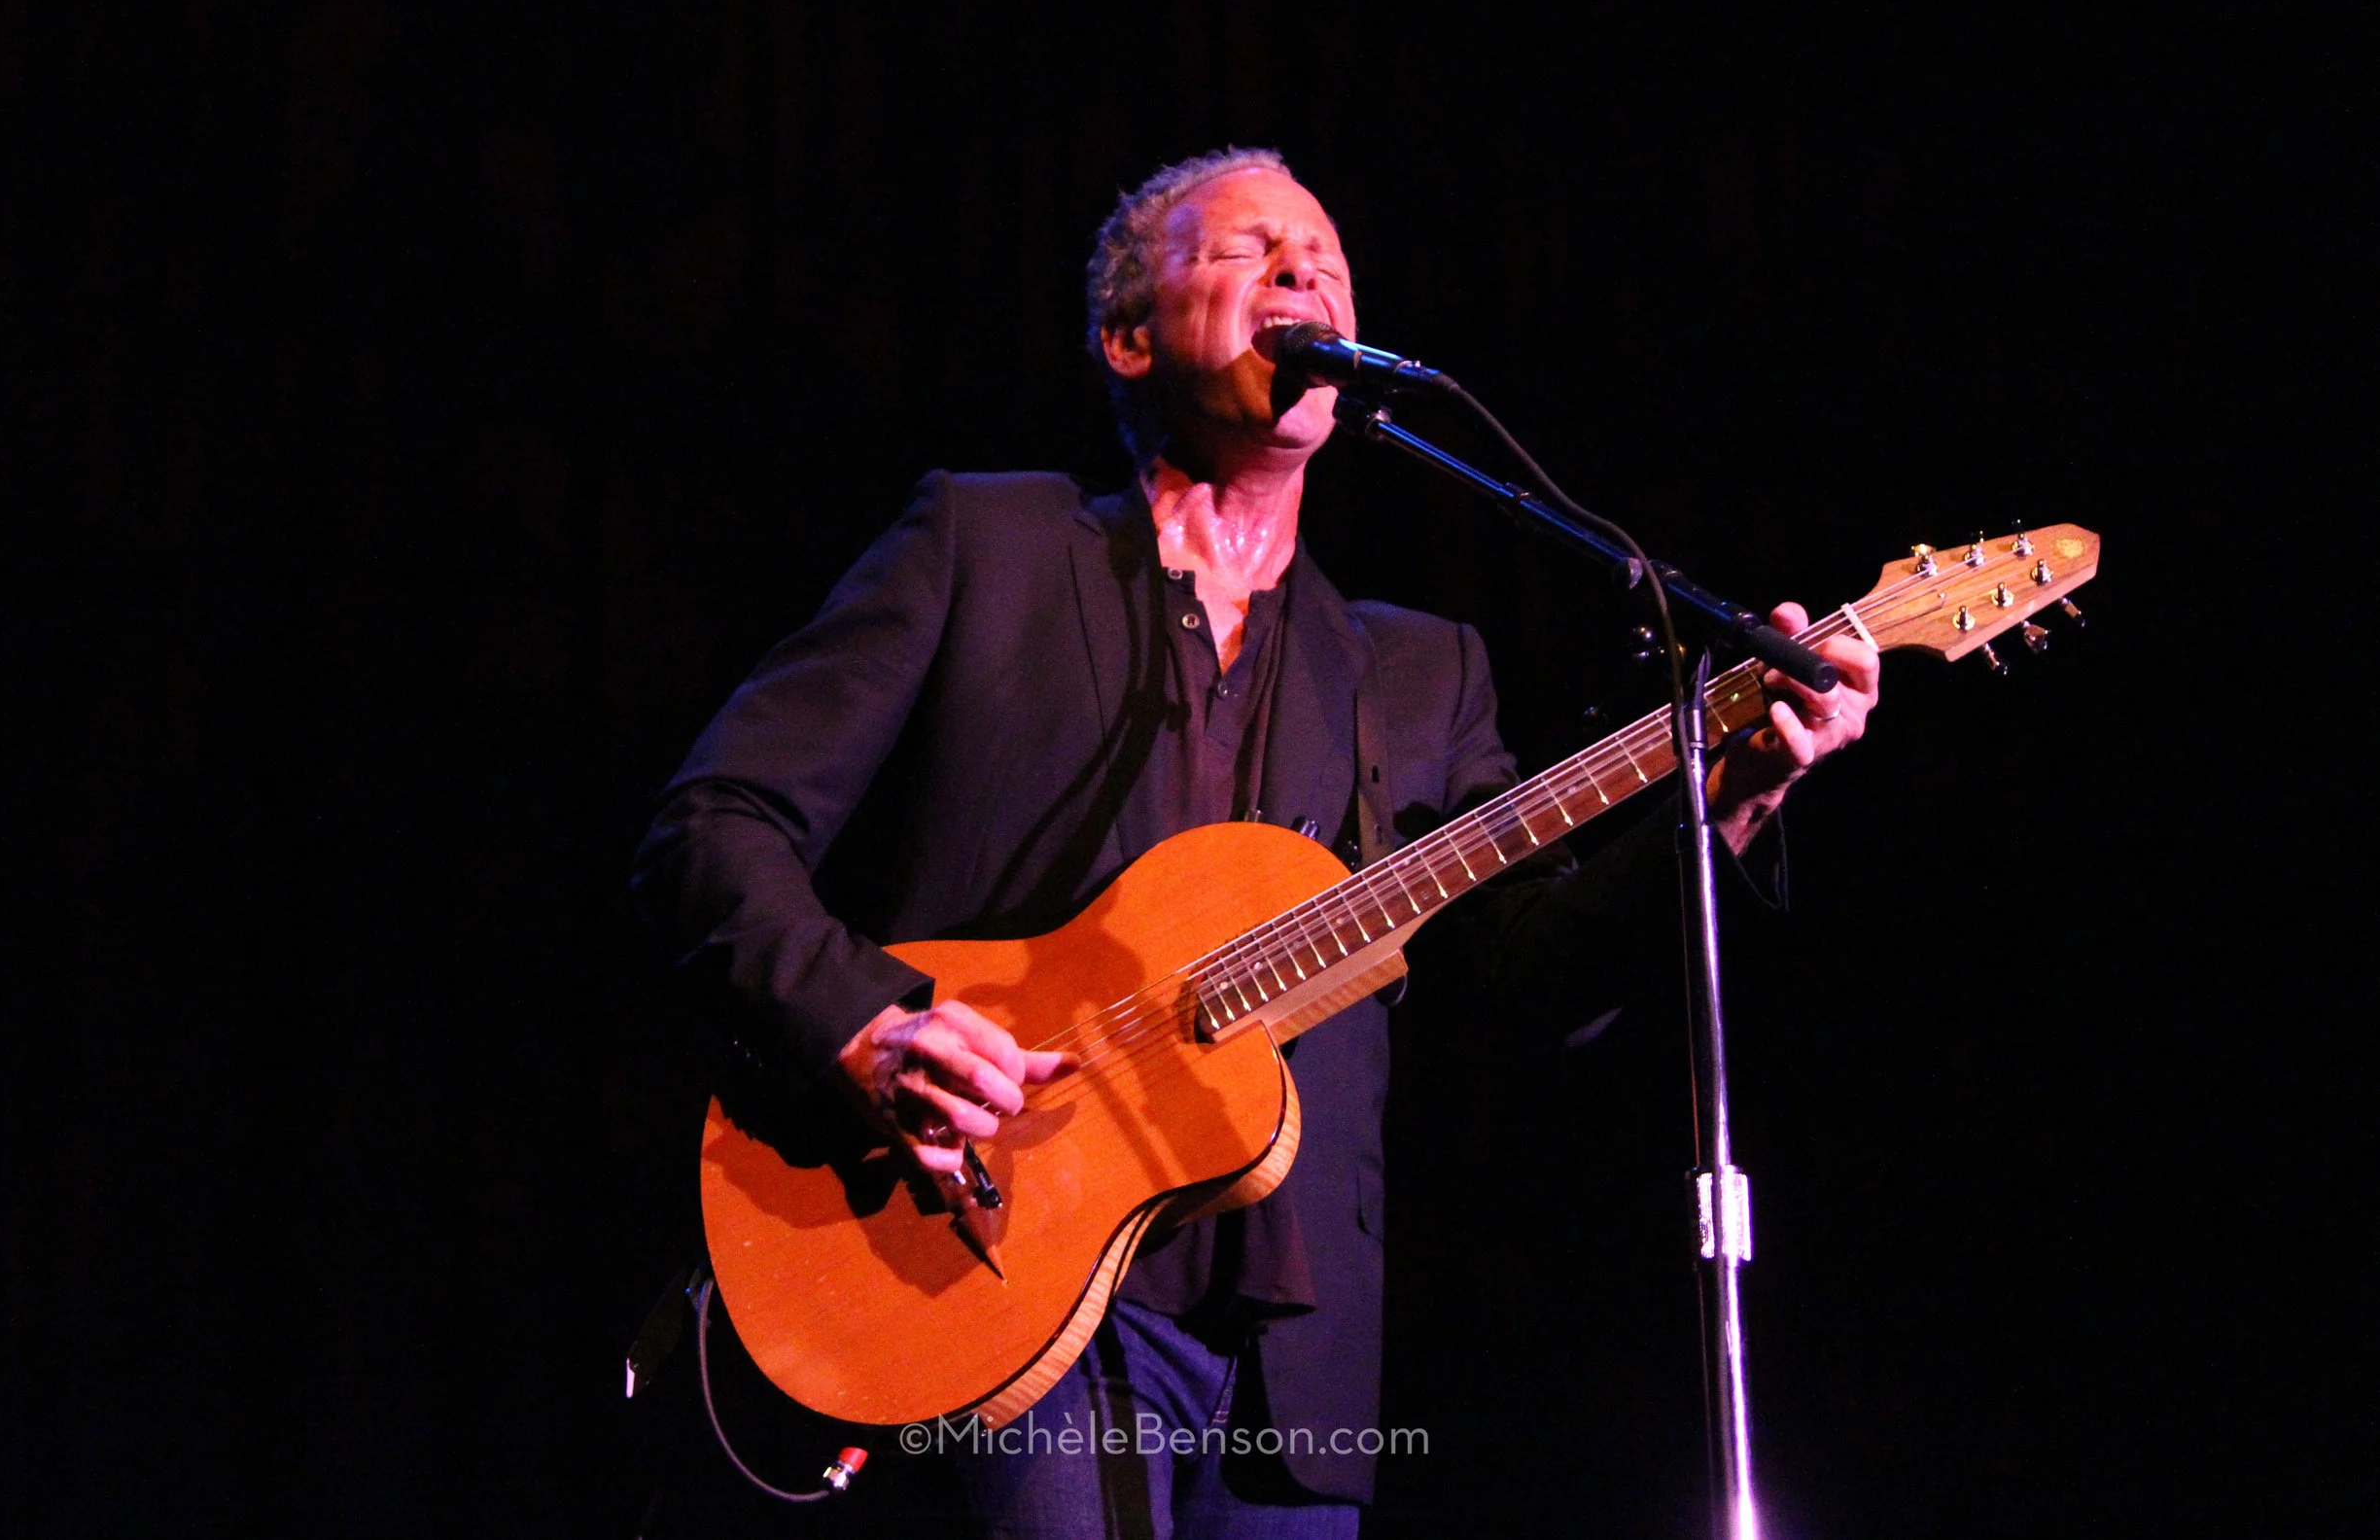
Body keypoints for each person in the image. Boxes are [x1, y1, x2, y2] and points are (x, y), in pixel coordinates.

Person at [632, 147, 1878, 1538]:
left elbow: (1529, 977)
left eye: (1328, 256)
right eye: (1248, 247)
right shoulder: (983, 546)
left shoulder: (1418, 673)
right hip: (995, 1276)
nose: (1306, 267)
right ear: (1129, 335)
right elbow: (710, 824)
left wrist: (1733, 790)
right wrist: (868, 1026)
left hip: (1293, 1374)